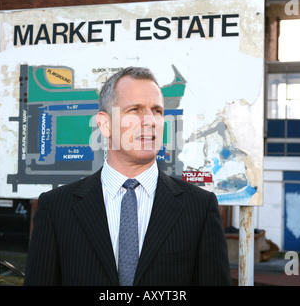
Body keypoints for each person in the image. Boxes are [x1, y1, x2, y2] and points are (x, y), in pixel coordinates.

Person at [24, 66, 231, 286]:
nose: (150, 120)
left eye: (157, 111)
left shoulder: (199, 207)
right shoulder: (56, 208)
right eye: (135, 109)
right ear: (104, 124)